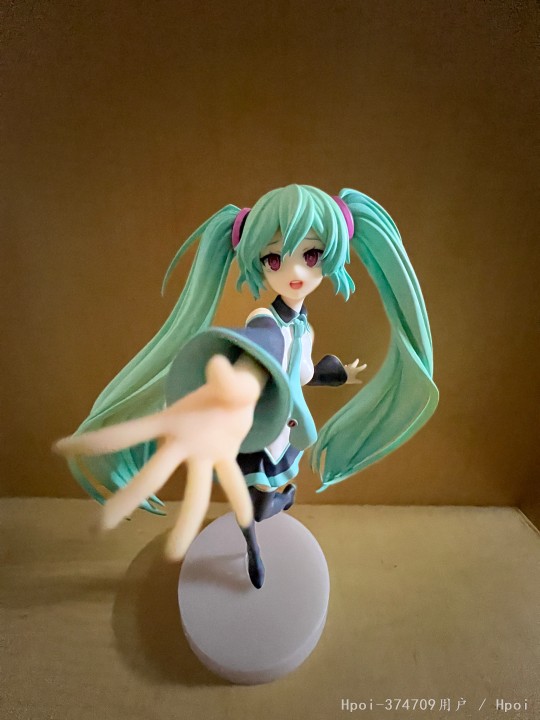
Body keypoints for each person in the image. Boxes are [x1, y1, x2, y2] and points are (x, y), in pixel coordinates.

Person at [54, 184, 439, 588]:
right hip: (254, 429)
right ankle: (256, 546)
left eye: (310, 255)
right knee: (253, 505)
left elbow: (302, 372)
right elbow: (260, 352)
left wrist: (340, 374)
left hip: (283, 432)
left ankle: (267, 523)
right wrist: (237, 388)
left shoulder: (304, 329)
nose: (295, 272)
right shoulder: (265, 321)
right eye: (274, 258)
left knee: (259, 499)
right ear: (259, 263)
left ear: (330, 254)